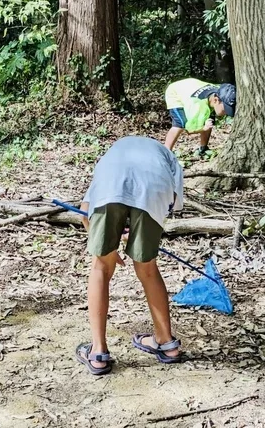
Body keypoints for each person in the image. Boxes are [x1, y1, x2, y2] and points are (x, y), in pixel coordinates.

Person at [75, 136, 184, 375]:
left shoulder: (112, 157)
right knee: (147, 268)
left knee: (100, 268)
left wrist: (107, 251)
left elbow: (85, 212)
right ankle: (167, 344)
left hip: (110, 187)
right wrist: (135, 234)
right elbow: (170, 203)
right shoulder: (167, 156)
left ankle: (98, 353)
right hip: (156, 189)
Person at [163, 78, 236, 155]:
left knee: (208, 121)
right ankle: (166, 152)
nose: (226, 112)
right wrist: (204, 128)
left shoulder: (221, 91)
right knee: (180, 124)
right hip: (174, 92)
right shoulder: (197, 106)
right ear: (215, 100)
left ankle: (203, 148)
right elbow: (189, 130)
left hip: (190, 86)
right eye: (225, 109)